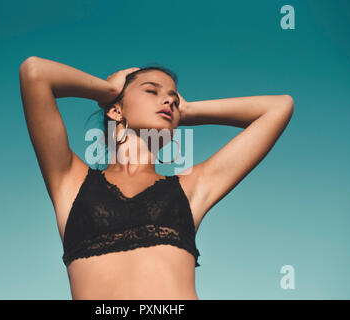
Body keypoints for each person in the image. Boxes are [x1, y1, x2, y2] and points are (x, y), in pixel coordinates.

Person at [18, 56, 294, 300]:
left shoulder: (191, 188)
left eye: (175, 99)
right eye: (151, 91)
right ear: (116, 110)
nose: (170, 100)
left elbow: (279, 107)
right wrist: (110, 90)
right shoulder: (70, 179)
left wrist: (187, 112)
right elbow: (35, 72)